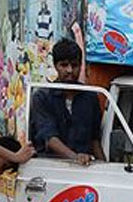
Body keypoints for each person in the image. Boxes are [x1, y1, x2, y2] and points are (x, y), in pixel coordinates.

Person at [30, 38, 103, 166]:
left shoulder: (90, 96)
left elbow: (95, 139)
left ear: (81, 66)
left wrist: (104, 166)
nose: (70, 70)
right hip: (50, 167)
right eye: (64, 65)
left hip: (86, 168)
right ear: (55, 66)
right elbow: (50, 138)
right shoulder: (42, 97)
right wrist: (76, 158)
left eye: (74, 65)